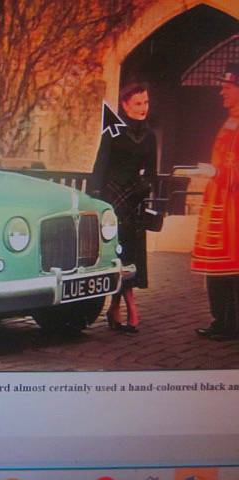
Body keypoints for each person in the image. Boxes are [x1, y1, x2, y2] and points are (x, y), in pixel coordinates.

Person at [91, 82, 157, 333]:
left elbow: (151, 172)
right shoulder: (113, 131)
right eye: (138, 103)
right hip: (112, 200)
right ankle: (132, 309)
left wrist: (144, 187)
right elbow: (100, 167)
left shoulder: (150, 135)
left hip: (134, 200)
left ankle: (114, 308)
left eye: (146, 102)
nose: (143, 108)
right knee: (118, 254)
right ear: (125, 105)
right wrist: (96, 200)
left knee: (130, 255)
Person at [192, 63, 239, 342]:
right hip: (219, 204)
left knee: (231, 268)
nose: (222, 92)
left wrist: (217, 172)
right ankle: (221, 320)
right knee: (216, 265)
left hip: (234, 210)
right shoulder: (230, 120)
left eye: (227, 87)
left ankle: (229, 324)